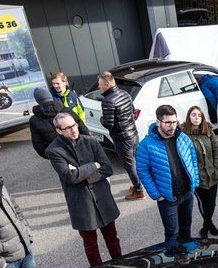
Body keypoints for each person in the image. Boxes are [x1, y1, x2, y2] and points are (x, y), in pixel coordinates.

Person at [46, 112, 123, 266]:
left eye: (74, 125)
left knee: (112, 239)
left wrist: (79, 172)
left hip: (102, 198)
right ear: (59, 131)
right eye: (67, 128)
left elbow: (107, 169)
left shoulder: (91, 142)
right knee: (91, 245)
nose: (73, 130)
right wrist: (93, 165)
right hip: (82, 204)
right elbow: (70, 177)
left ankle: (122, 266)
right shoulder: (53, 151)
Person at [136, 104, 200, 246]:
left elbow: (193, 158)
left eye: (175, 122)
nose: (172, 126)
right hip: (168, 199)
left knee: (186, 230)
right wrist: (157, 195)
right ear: (158, 122)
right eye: (168, 123)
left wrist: (194, 183)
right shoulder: (145, 145)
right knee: (172, 235)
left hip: (187, 195)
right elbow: (142, 171)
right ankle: (173, 264)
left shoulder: (182, 137)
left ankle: (186, 259)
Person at [98, 71, 145, 200]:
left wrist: (101, 118)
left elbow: (108, 124)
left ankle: (139, 190)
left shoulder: (107, 101)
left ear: (107, 85)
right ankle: (138, 184)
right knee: (134, 162)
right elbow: (134, 115)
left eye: (100, 84)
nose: (99, 87)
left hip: (122, 139)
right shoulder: (125, 93)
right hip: (133, 135)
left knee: (129, 165)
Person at [182, 105, 218, 238]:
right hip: (198, 178)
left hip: (212, 175)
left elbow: (216, 150)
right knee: (203, 203)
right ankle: (207, 226)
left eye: (199, 115)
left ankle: (207, 224)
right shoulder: (184, 136)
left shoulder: (208, 130)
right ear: (188, 117)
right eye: (193, 115)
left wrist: (217, 168)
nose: (197, 118)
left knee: (212, 203)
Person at [28, 87, 88, 158]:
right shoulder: (67, 111)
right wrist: (85, 146)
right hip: (78, 149)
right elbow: (83, 129)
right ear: (50, 97)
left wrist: (52, 156)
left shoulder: (34, 120)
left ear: (37, 101)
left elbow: (38, 145)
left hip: (58, 155)